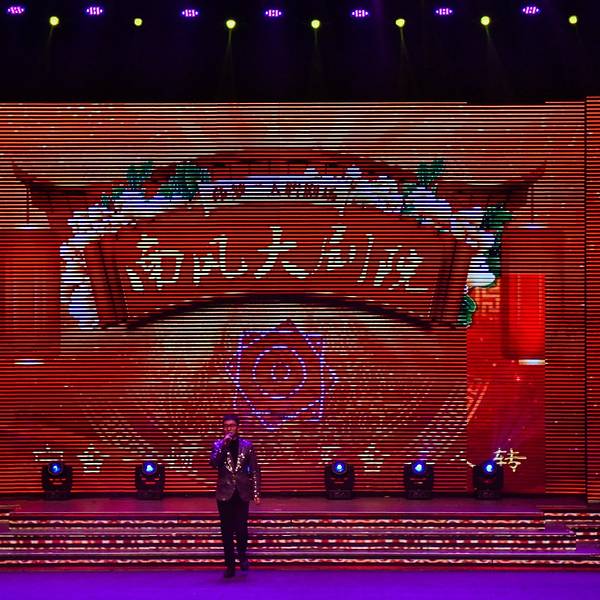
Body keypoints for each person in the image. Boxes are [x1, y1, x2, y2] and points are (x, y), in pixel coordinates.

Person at [209, 414, 261, 578]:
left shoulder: (247, 445)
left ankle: (242, 554)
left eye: (232, 425)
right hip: (224, 492)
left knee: (241, 528)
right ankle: (230, 565)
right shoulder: (218, 444)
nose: (229, 428)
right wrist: (223, 446)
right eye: (226, 426)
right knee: (226, 530)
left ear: (238, 427)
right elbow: (214, 463)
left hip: (242, 492)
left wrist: (256, 492)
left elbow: (254, 470)